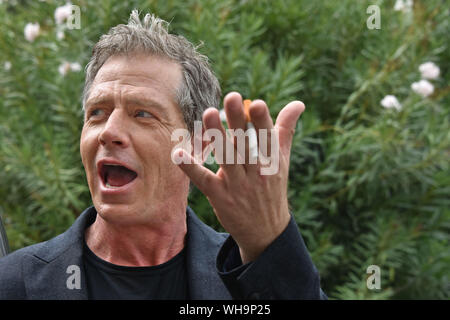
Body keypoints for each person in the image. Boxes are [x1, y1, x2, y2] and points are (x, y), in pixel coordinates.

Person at [0, 10, 326, 300]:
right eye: (97, 112)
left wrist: (269, 246)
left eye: (142, 114)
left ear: (199, 144)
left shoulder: (246, 279)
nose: (108, 132)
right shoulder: (14, 283)